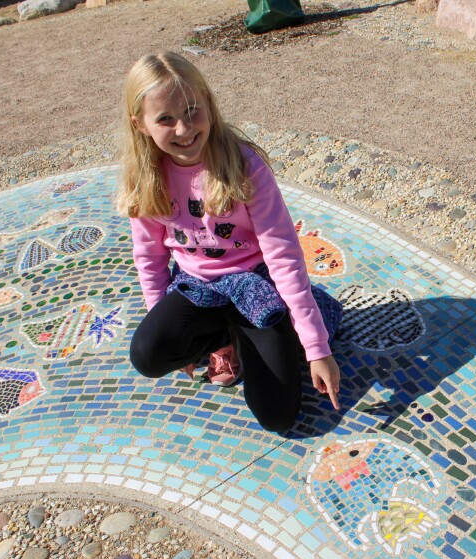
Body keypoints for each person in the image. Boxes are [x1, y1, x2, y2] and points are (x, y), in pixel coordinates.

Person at [116, 52, 341, 434]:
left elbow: (283, 254)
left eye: (192, 110)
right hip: (196, 287)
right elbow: (150, 256)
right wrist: (165, 324)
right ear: (140, 124)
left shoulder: (243, 163)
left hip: (255, 284)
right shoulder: (146, 176)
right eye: (166, 119)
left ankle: (289, 322)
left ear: (209, 102)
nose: (184, 128)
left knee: (278, 417)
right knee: (149, 354)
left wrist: (316, 347)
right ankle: (224, 339)